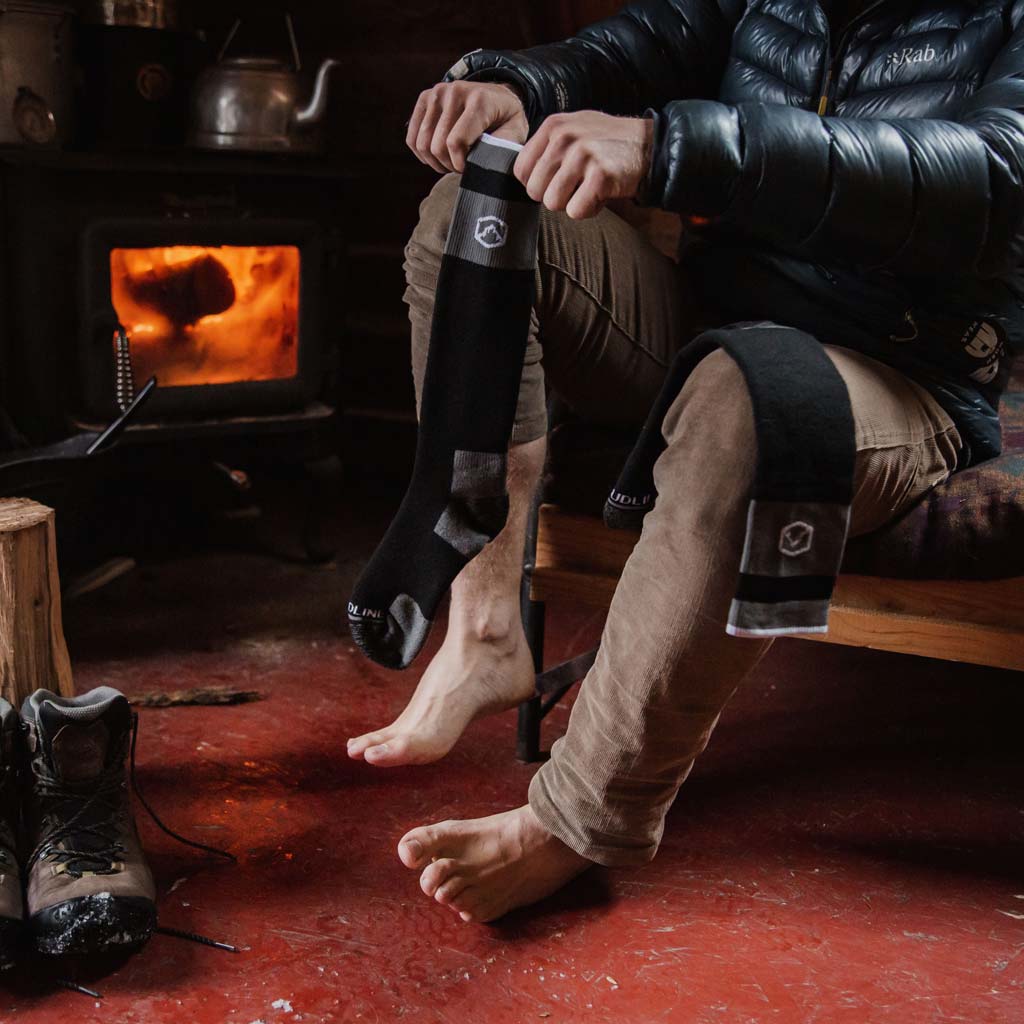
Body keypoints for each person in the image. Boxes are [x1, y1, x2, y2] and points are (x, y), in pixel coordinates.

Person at [348, 0, 1024, 923]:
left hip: (902, 371)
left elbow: (987, 178)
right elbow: (626, 52)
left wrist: (674, 147)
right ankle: (486, 627)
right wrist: (516, 86)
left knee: (748, 396)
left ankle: (577, 818)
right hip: (709, 318)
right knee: (470, 213)